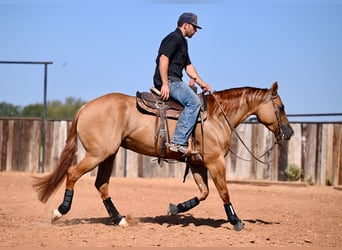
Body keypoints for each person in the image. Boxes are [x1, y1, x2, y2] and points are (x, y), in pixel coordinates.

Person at [153, 12, 212, 154]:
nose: (196, 30)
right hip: (171, 81)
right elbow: (163, 59)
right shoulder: (173, 38)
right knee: (194, 102)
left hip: (175, 80)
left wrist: (202, 83)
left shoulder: (183, 42)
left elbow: (188, 67)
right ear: (185, 25)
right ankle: (178, 141)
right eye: (194, 27)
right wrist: (165, 84)